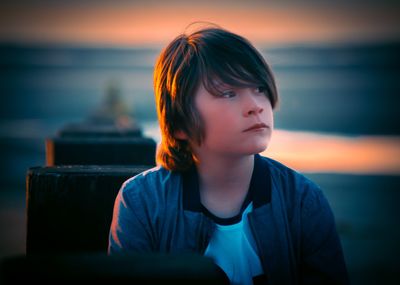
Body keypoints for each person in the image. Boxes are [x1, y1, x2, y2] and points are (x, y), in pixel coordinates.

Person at [108, 24, 349, 285]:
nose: (255, 106)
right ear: (179, 124)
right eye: (229, 93)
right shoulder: (142, 200)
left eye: (259, 88)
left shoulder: (301, 199)